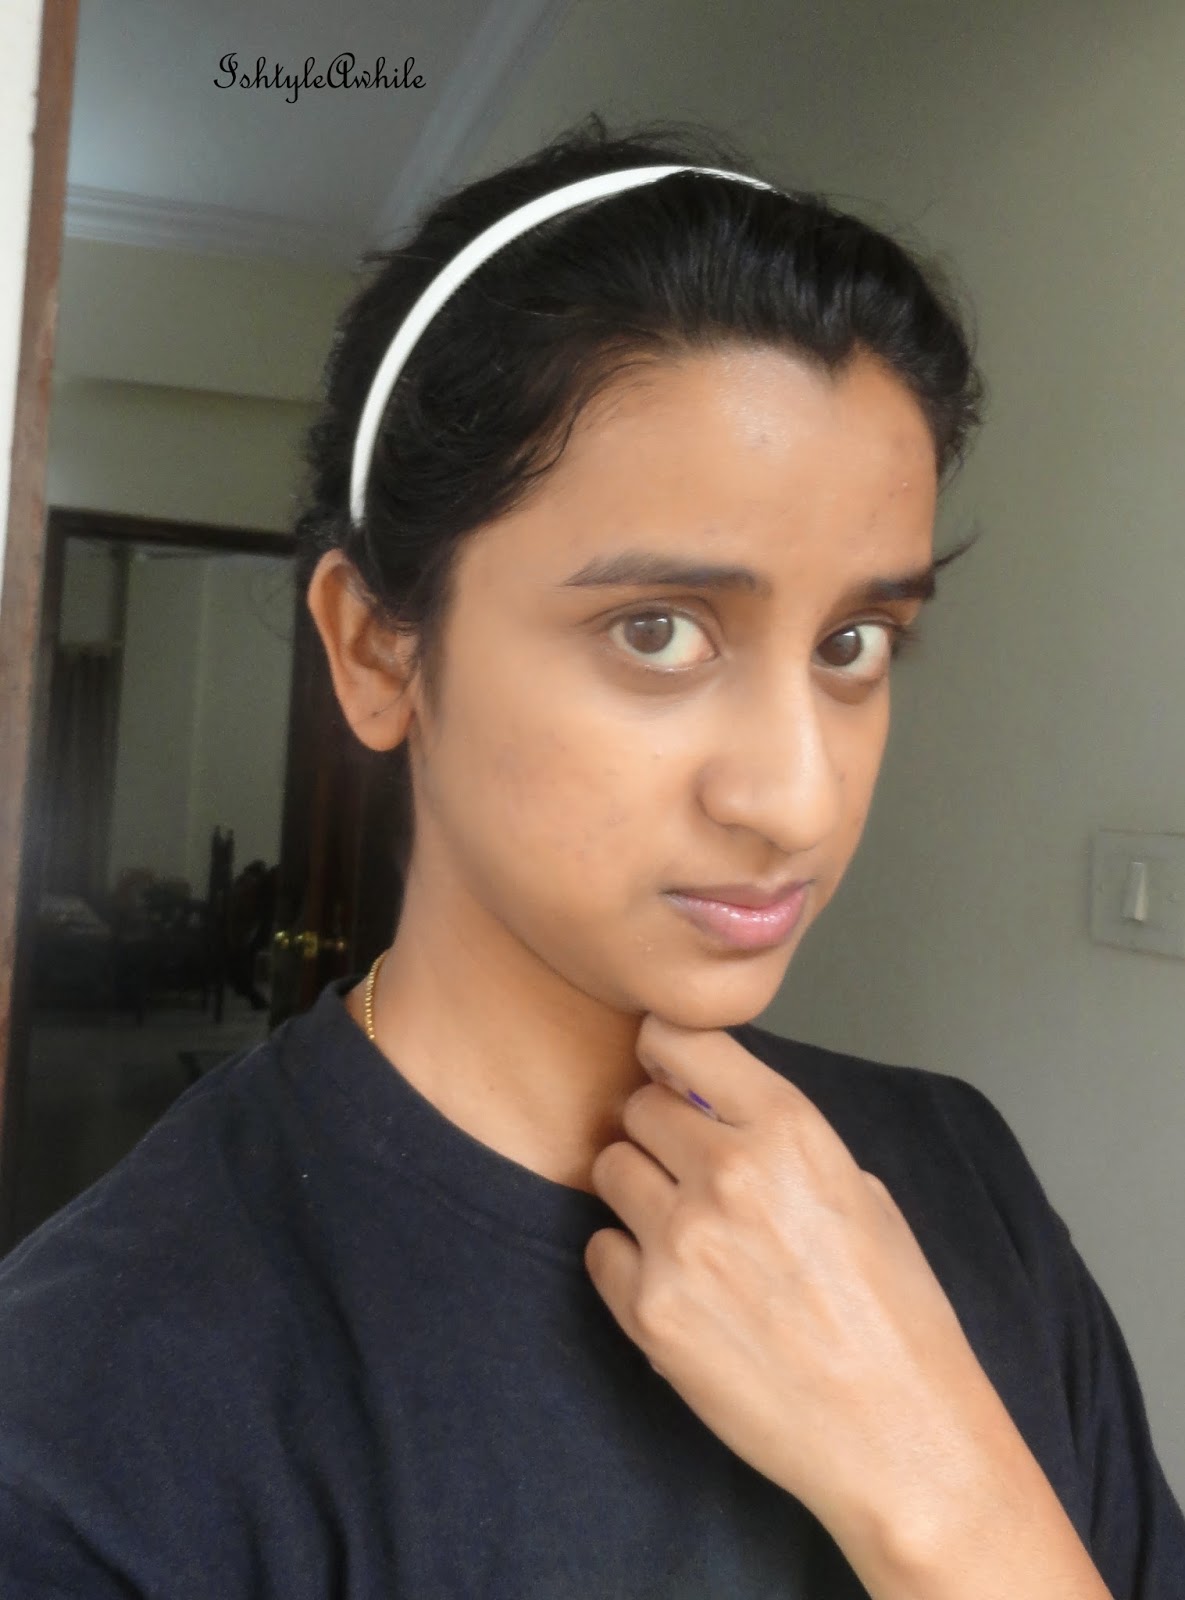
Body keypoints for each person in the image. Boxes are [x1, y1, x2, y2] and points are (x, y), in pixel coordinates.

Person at [0, 115, 1182, 1599]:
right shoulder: (91, 1411)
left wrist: (939, 1491)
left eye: (853, 642)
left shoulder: (955, 1176)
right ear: (375, 651)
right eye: (657, 631)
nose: (795, 800)